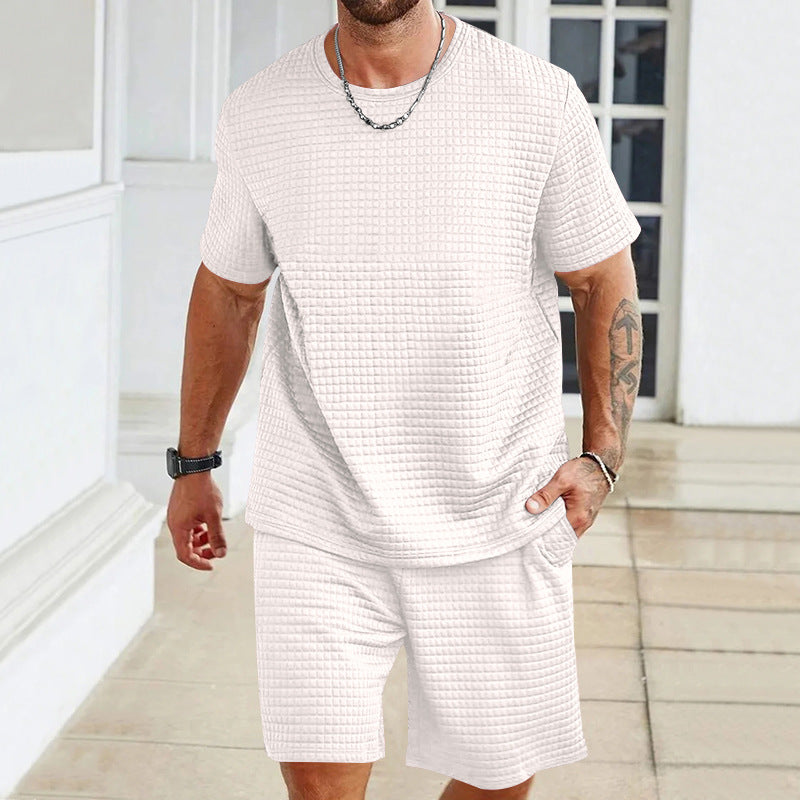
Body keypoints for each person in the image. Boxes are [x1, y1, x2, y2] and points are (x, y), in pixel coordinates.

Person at [166, 1, 642, 798]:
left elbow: (601, 278)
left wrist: (603, 456)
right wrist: (194, 465)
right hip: (317, 508)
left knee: (497, 779)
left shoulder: (537, 97)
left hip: (498, 504)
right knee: (319, 784)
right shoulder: (260, 111)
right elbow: (230, 291)